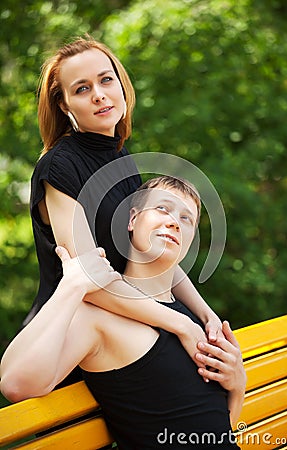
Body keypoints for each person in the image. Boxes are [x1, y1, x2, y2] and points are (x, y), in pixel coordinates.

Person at [24, 35, 224, 379]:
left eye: (105, 80)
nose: (99, 94)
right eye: (82, 89)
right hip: (70, 342)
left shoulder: (120, 155)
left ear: (121, 83)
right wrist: (181, 324)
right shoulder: (59, 168)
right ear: (64, 105)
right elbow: (91, 280)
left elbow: (148, 254)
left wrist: (205, 316)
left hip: (123, 333)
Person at [0, 176, 246, 449]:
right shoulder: (100, 318)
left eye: (186, 219)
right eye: (163, 208)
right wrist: (72, 287)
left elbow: (216, 433)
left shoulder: (194, 319)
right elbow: (15, 383)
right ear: (132, 220)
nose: (175, 221)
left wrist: (237, 386)